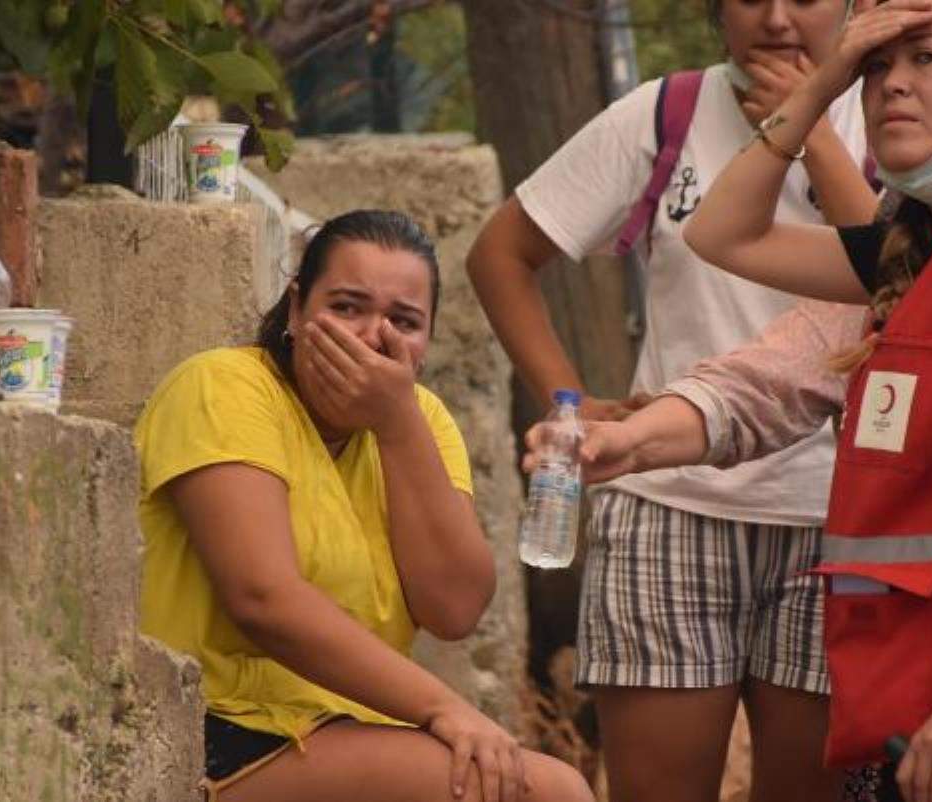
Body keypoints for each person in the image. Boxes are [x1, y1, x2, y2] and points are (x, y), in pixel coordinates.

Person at [466, 3, 878, 801]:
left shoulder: (896, 119)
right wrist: (572, 402)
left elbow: (893, 282)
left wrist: (813, 127)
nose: (778, 17)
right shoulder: (666, 112)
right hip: (668, 504)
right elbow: (501, 253)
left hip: (837, 517)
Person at [576, 2, 932, 799]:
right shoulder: (910, 253)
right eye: (874, 68)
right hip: (905, 699)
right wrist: (824, 79)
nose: (891, 85)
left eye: (924, 59)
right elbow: (726, 241)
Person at [135, 210, 593, 802]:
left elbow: (454, 609)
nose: (374, 336)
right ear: (297, 309)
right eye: (347, 307)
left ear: (426, 342)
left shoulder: (419, 418)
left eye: (404, 321)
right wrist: (444, 708)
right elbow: (263, 599)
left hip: (350, 727)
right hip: (220, 724)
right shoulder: (222, 387)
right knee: (551, 793)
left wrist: (396, 422)